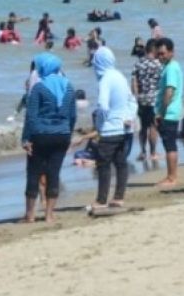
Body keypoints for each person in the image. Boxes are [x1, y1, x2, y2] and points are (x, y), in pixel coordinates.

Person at [20, 53, 77, 223]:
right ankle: (49, 214)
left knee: (33, 172)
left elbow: (31, 116)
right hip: (62, 135)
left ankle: (30, 214)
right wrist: (69, 133)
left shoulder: (38, 87)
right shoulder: (69, 87)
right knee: (54, 173)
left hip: (41, 134)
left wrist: (25, 139)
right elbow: (72, 115)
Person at [88, 45, 137, 210]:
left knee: (103, 164)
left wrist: (100, 125)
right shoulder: (120, 76)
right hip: (124, 128)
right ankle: (119, 197)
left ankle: (101, 200)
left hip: (110, 130)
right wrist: (129, 117)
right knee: (121, 163)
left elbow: (102, 105)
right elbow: (132, 101)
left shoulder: (105, 79)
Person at [154, 38, 184, 188]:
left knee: (169, 146)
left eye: (163, 53)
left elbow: (169, 91)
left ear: (172, 52)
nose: (160, 57)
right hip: (171, 112)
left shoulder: (171, 67)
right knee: (169, 145)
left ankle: (172, 177)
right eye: (158, 54)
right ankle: (171, 176)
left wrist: (161, 112)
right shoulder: (170, 66)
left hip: (169, 113)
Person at [130, 39, 162, 169]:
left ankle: (143, 152)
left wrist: (136, 97)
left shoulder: (138, 64)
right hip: (154, 99)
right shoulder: (158, 64)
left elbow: (134, 83)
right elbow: (161, 83)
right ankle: (153, 152)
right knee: (153, 127)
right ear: (153, 49)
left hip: (142, 99)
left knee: (143, 127)